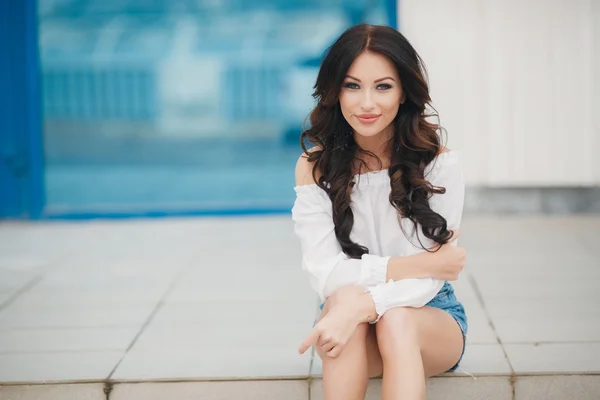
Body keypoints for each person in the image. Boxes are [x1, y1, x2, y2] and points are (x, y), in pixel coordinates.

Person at [291, 24, 468, 400]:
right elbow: (326, 273)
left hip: (427, 314)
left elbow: (431, 279)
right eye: (352, 86)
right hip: (346, 315)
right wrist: (415, 265)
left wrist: (365, 301)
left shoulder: (440, 166)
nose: (367, 103)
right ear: (334, 90)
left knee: (394, 318)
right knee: (344, 308)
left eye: (383, 86)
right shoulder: (314, 167)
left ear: (405, 91)